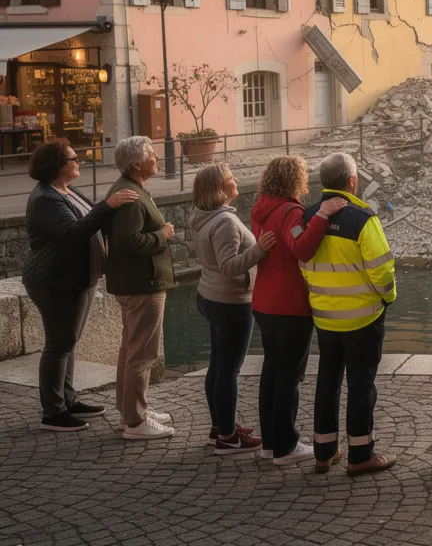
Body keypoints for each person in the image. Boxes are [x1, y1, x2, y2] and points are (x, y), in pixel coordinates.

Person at [22, 140, 139, 431]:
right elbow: (72, 232)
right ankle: (53, 412)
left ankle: (69, 399)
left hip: (77, 278)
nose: (79, 163)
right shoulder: (45, 198)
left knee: (68, 342)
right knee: (58, 344)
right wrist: (107, 206)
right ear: (60, 165)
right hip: (55, 281)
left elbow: (90, 220)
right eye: (74, 159)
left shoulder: (65, 189)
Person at [300, 152, 397, 476]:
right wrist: (388, 298)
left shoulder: (309, 216)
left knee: (327, 382)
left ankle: (324, 453)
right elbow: (381, 270)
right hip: (363, 318)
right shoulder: (362, 217)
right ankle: (360, 454)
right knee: (361, 384)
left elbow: (302, 262)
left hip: (325, 317)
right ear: (352, 181)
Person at [251, 156, 347, 465]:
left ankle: (269, 443)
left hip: (263, 302)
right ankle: (286, 446)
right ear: (296, 180)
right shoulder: (290, 212)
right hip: (289, 304)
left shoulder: (260, 209)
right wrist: (320, 216)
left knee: (271, 372)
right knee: (289, 377)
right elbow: (301, 247)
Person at [190, 163, 275, 455]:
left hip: (209, 296)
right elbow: (228, 267)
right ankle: (227, 437)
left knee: (218, 367)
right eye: (229, 178)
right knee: (229, 371)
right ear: (218, 188)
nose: (236, 180)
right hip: (230, 303)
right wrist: (259, 250)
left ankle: (219, 427)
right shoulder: (224, 222)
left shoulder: (203, 216)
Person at [105, 136, 177, 441]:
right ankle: (135, 422)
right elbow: (127, 242)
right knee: (142, 353)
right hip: (143, 285)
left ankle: (131, 412)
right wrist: (162, 235)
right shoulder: (130, 195)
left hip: (135, 283)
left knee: (130, 350)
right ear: (136, 163)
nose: (156, 158)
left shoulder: (130, 190)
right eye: (151, 154)